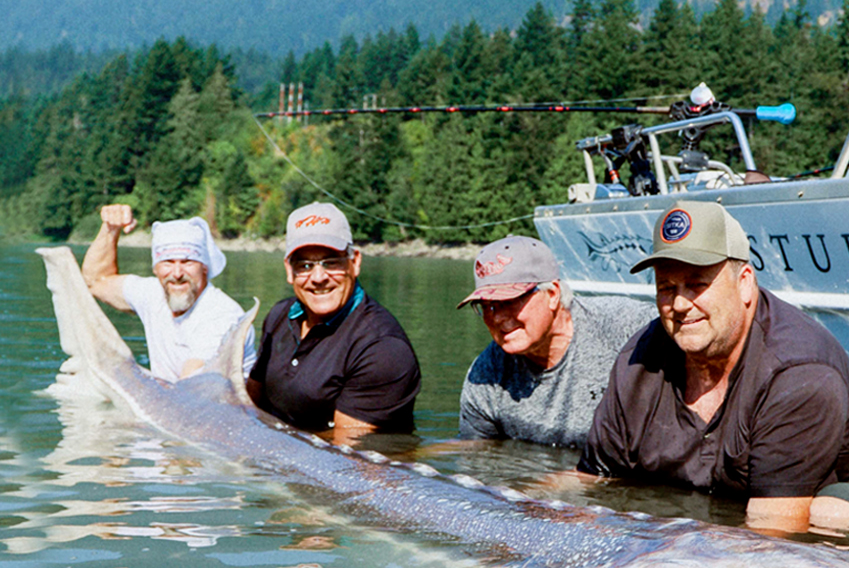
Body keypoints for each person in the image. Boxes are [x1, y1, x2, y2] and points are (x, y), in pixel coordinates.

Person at [577, 200, 849, 532]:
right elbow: (592, 478)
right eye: (666, 287)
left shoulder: (799, 372)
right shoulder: (638, 358)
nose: (679, 304)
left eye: (697, 284)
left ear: (745, 283)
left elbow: (773, 530)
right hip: (728, 504)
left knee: (829, 516)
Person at [246, 201, 421, 444]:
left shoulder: (383, 349)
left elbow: (346, 454)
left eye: (331, 262)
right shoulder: (278, 316)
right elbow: (248, 404)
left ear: (355, 261)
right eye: (305, 265)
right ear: (289, 270)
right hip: (277, 458)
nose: (318, 278)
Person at [456, 235, 653, 449]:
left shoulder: (628, 328)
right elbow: (476, 459)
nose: (497, 318)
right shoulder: (485, 375)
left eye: (509, 301)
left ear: (552, 294)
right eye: (486, 306)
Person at [81, 204, 254, 381]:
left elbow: (192, 388)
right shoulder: (151, 294)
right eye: (168, 262)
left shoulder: (222, 315)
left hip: (213, 404)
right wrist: (110, 229)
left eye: (187, 262)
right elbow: (96, 281)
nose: (177, 274)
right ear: (155, 269)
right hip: (174, 400)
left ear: (204, 267)